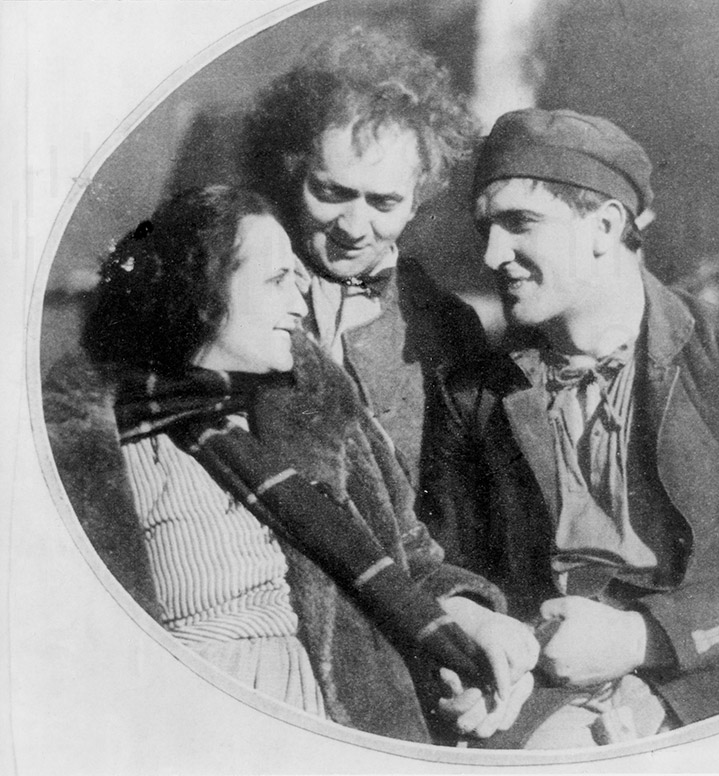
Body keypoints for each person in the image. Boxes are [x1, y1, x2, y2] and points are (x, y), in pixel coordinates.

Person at [420, 109, 719, 747]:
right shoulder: (475, 394)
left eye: (520, 223)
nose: (493, 255)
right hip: (550, 686)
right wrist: (485, 652)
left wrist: (641, 638)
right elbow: (456, 568)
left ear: (604, 225)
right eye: (485, 227)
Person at [43, 186, 537, 744]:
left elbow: (409, 561)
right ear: (200, 292)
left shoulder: (320, 411)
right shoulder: (90, 451)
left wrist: (480, 623)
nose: (300, 305)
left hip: (342, 722)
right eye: (278, 280)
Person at [244, 27, 486, 485]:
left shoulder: (449, 331)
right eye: (331, 192)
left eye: (383, 203)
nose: (353, 228)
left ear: (418, 200)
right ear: (294, 171)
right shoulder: (235, 293)